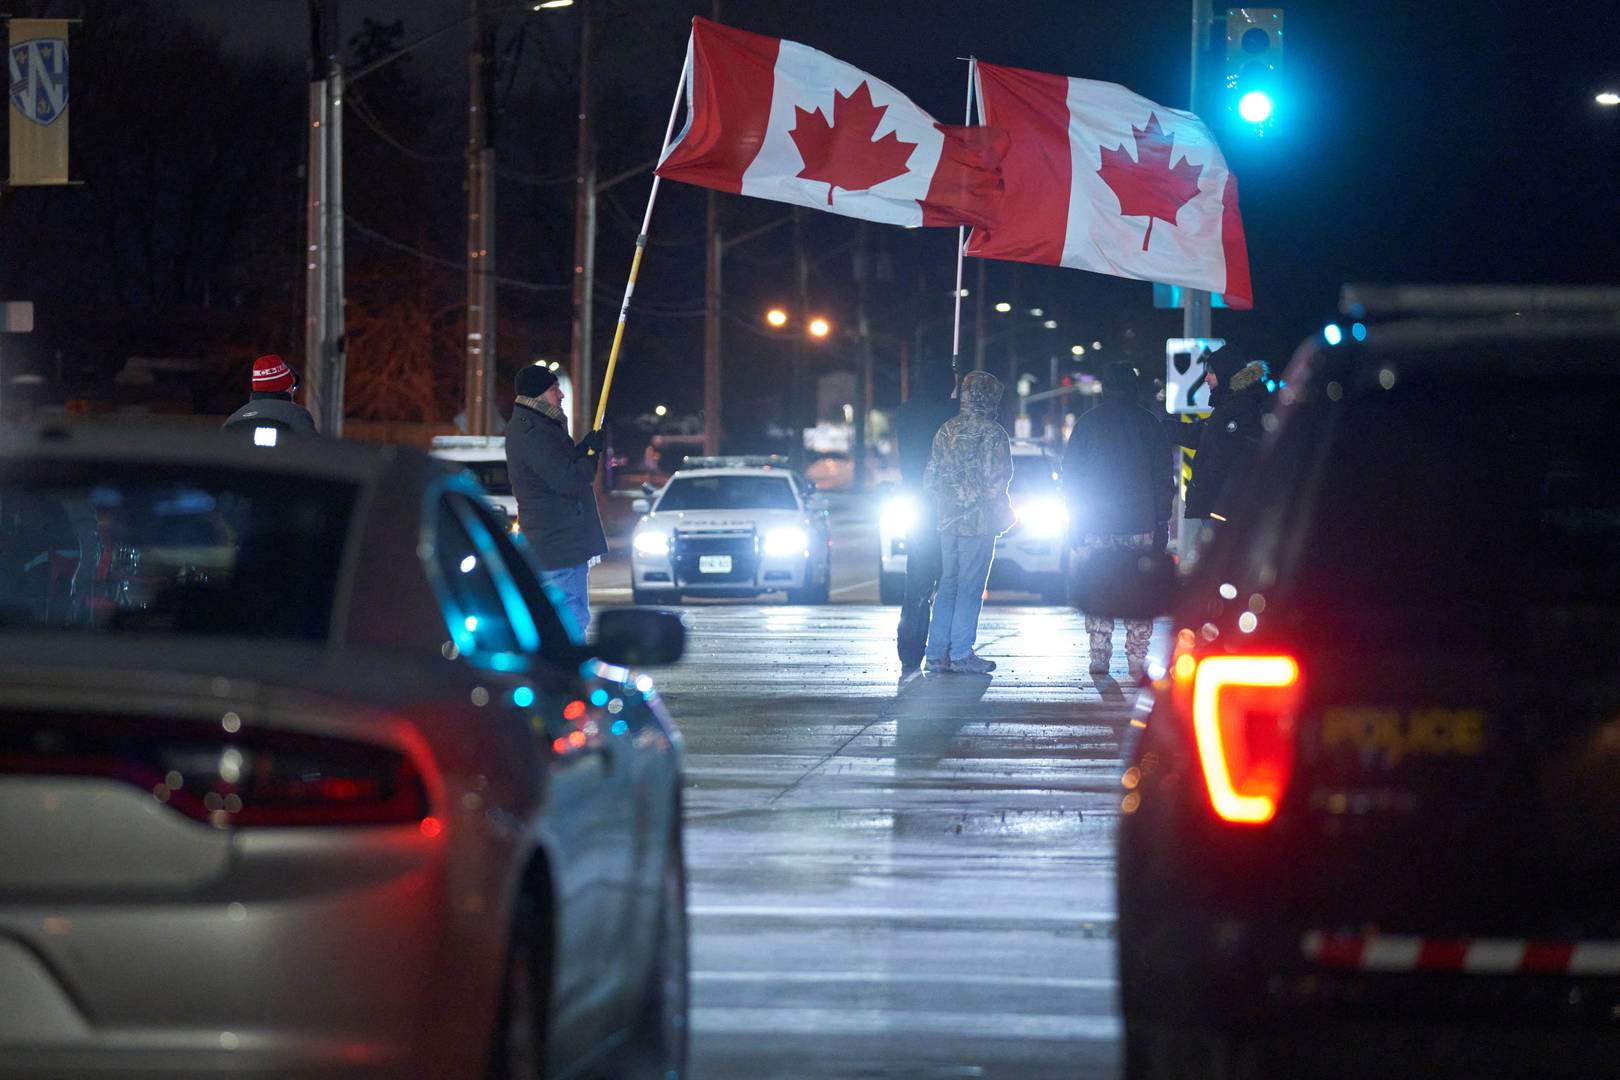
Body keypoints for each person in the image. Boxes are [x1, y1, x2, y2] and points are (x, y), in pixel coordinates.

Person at [1062, 362, 1173, 684]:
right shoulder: (1149, 424)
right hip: (1140, 521)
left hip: (1096, 523)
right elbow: (1163, 478)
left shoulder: (1088, 423)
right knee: (1139, 587)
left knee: (1099, 585)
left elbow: (1072, 477)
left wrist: (1076, 520)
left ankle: (1099, 654)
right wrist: (1161, 521)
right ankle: (1137, 658)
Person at [921, 370, 1014, 676]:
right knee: (970, 587)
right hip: (977, 522)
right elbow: (995, 483)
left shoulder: (946, 429)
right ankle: (961, 653)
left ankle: (936, 654)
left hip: (946, 521)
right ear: (990, 398)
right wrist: (1003, 515)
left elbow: (931, 478)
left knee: (947, 584)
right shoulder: (993, 433)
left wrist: (946, 505)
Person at [505, 363, 607, 640]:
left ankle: (569, 673)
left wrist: (584, 448)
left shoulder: (539, 425)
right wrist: (589, 458)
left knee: (568, 616)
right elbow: (567, 481)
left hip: (557, 540)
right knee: (571, 618)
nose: (560, 395)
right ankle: (572, 678)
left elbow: (556, 468)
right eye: (554, 389)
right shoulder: (533, 432)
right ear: (538, 394)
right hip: (557, 542)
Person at [894, 362, 961, 674]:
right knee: (950, 579)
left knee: (917, 581)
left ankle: (909, 648)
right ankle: (943, 647)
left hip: (917, 505)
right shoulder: (952, 416)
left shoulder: (906, 413)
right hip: (947, 506)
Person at [1171, 353, 1270, 561]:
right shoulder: (1231, 406)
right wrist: (1161, 427)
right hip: (1218, 507)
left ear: (1226, 375)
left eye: (1211, 373)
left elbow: (1223, 458)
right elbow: (1201, 434)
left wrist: (1204, 493)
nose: (1206, 378)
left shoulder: (1238, 408)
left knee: (1215, 567)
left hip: (1220, 510)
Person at [221, 354, 316, 435]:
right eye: (292, 386)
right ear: (287, 388)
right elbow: (314, 451)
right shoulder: (296, 415)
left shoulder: (233, 421)